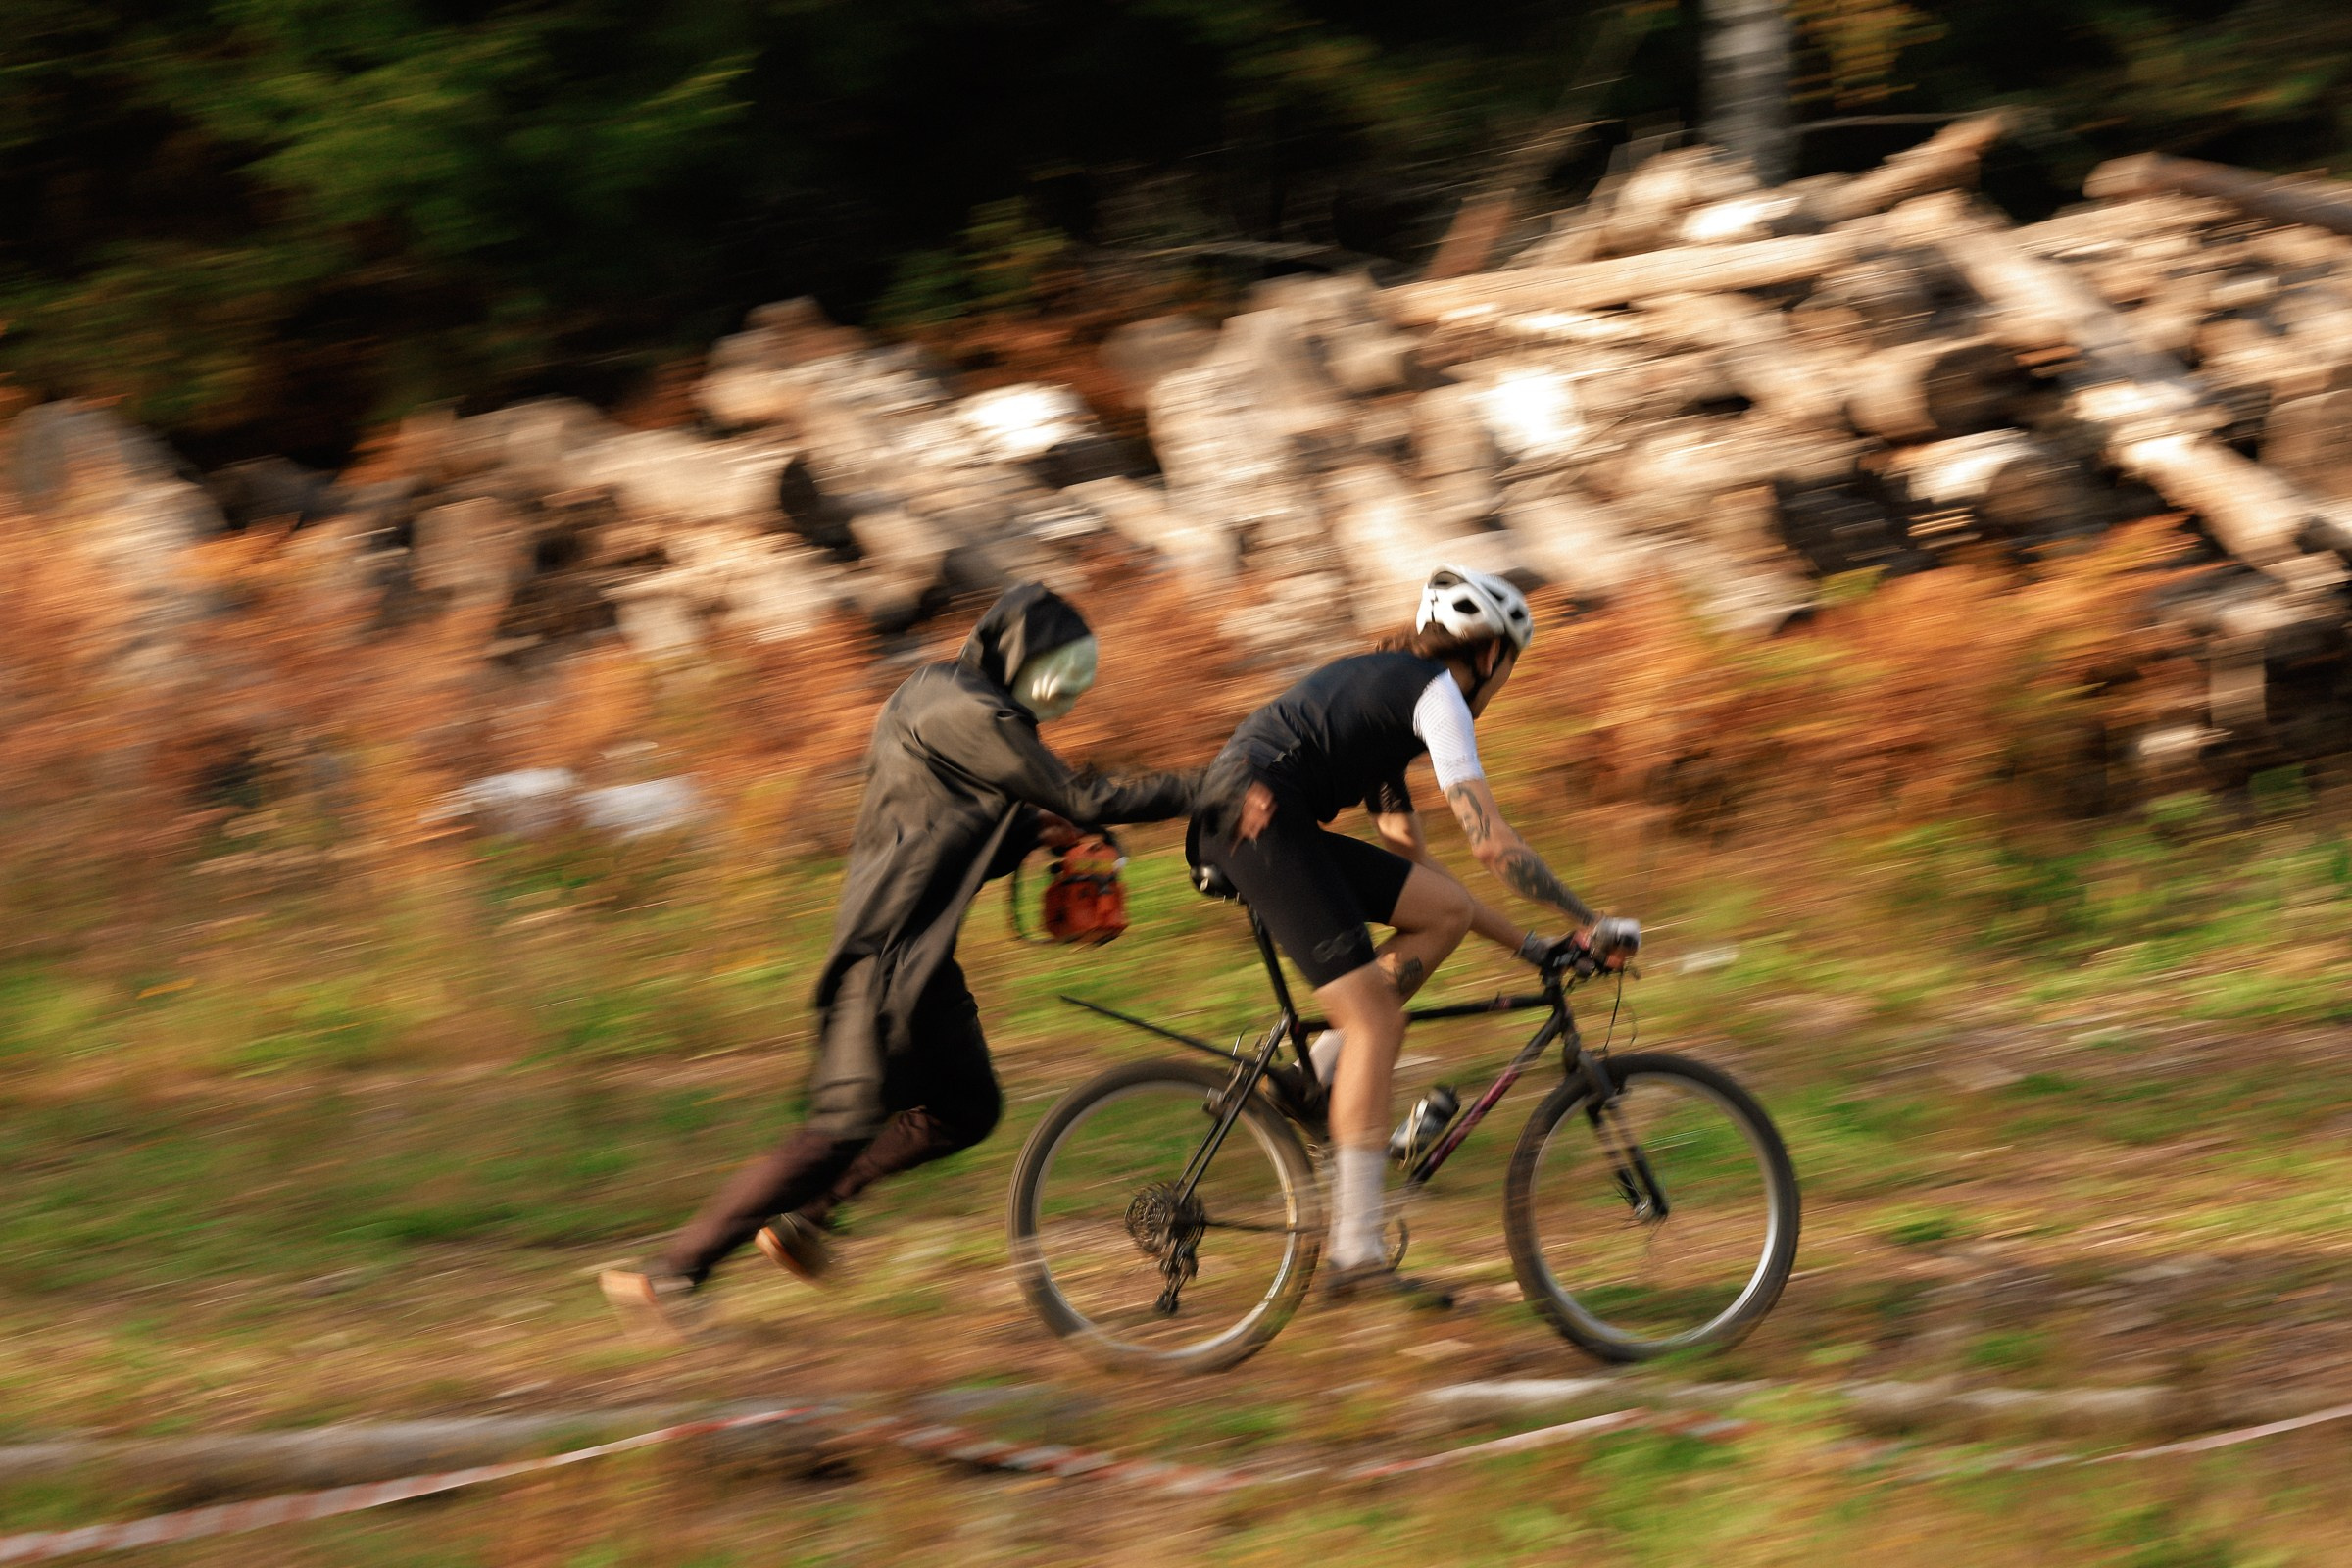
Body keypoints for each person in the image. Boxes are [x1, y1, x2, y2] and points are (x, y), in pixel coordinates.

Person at [604, 582, 1198, 1332]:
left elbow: (952, 832)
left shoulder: (968, 715)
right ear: (1021, 652)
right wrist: (1208, 789)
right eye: (1063, 673)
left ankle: (803, 1219)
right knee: (836, 1130)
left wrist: (1040, 837)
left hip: (922, 959)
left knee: (964, 1108)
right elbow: (1083, 794)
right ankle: (669, 1275)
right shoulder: (957, 704)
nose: (1069, 694)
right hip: (882, 956)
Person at [1193, 565, 1636, 1303]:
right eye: (1508, 672)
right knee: (1376, 1022)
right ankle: (1357, 1255)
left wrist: (1533, 945)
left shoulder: (1384, 706)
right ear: (1491, 657)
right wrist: (1590, 922)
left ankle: (1316, 1078)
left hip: (1263, 822)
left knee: (1442, 911)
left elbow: (1430, 883)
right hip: (1255, 825)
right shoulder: (1438, 697)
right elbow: (1490, 842)